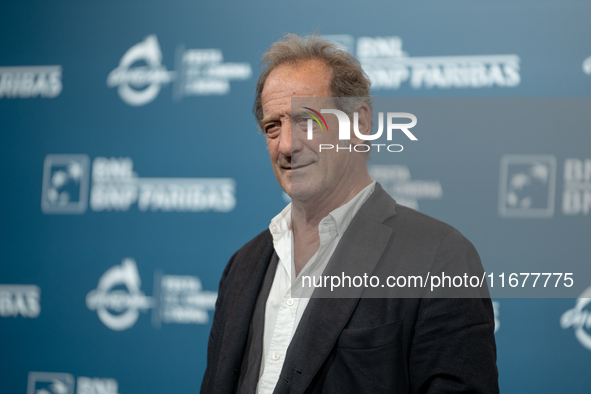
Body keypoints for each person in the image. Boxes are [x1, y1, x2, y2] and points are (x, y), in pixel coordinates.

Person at [201, 33, 499, 394]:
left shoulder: (439, 257)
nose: (286, 145)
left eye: (306, 120)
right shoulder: (243, 266)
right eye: (272, 127)